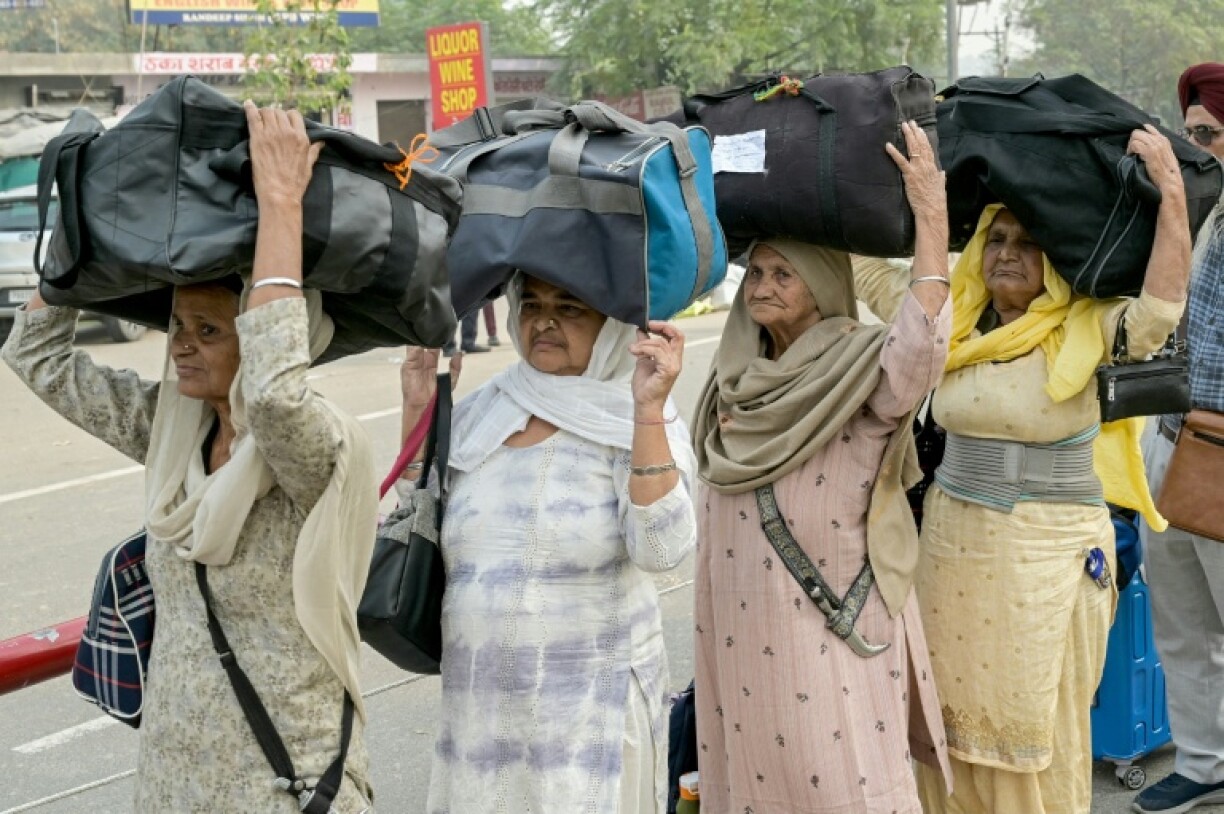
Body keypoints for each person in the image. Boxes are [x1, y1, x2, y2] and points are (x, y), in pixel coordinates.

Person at [1, 104, 377, 811]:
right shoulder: (173, 434)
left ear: (270, 338)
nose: (180, 345)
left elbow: (271, 394)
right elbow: (35, 359)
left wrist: (280, 208)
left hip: (285, 778)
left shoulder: (311, 449)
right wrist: (79, 242)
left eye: (208, 329)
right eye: (177, 325)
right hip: (175, 775)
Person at [890, 127, 1189, 814]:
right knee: (945, 723)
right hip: (951, 551)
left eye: (1026, 242)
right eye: (995, 240)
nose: (1006, 254)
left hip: (1050, 558)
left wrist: (1171, 195)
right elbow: (894, 288)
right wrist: (928, 209)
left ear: (1053, 259)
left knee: (1042, 726)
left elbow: (1160, 312)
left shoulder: (1082, 325)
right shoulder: (955, 327)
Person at [691, 121, 953, 814]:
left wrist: (931, 213)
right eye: (760, 273)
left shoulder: (859, 365)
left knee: (838, 781)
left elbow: (921, 350)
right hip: (737, 628)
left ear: (821, 284)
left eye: (786, 274)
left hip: (826, 623)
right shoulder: (734, 383)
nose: (765, 287)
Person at [399, 274, 698, 812]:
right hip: (480, 715)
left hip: (588, 722)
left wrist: (648, 409)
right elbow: (417, 523)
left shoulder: (630, 413)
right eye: (532, 303)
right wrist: (419, 411)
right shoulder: (483, 411)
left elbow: (662, 547)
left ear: (610, 325)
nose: (545, 320)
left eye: (570, 307)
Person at [1131, 63, 1224, 814]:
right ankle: (1202, 764)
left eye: (1208, 136)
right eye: (1188, 134)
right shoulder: (1193, 209)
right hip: (1169, 439)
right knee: (1182, 624)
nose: (1195, 149)